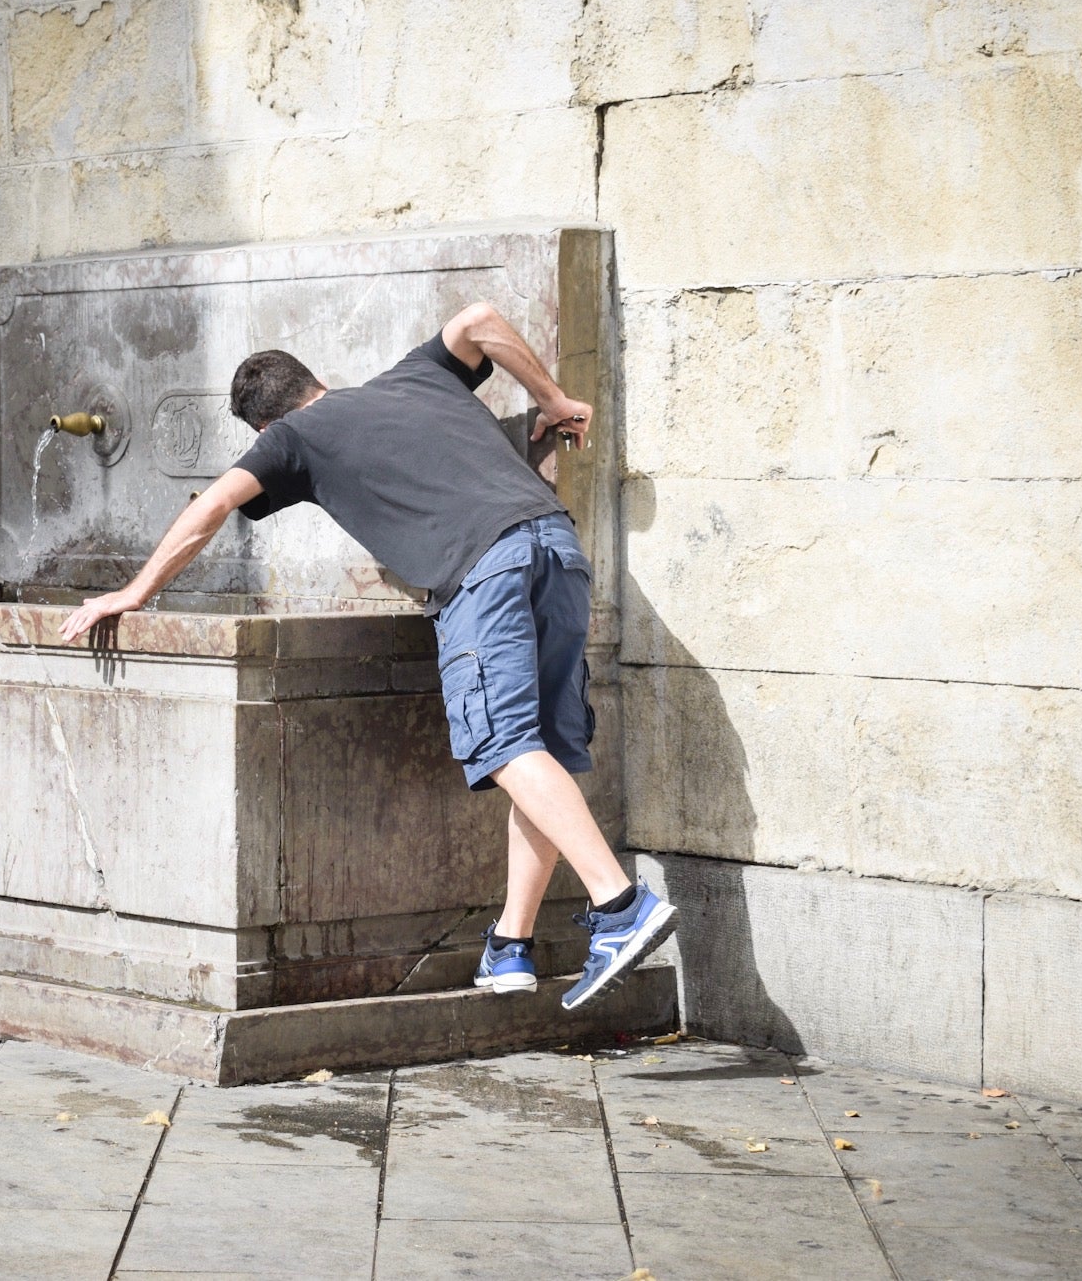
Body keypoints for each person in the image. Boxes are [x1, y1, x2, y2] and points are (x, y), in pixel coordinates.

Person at [59, 303, 677, 1011]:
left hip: (483, 570)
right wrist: (554, 400)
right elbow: (479, 319)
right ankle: (510, 943)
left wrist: (133, 592)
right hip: (556, 548)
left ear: (262, 427)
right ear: (315, 380)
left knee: (507, 746)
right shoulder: (415, 374)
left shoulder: (291, 437)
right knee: (540, 757)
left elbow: (213, 505)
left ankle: (620, 905)